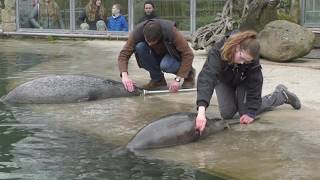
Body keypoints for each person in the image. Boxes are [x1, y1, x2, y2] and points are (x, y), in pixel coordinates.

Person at [195, 30, 301, 134]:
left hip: (243, 81)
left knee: (246, 113)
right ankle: (241, 103)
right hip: (224, 80)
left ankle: (281, 95)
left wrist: (251, 111)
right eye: (241, 58)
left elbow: (255, 83)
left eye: (246, 61)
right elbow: (207, 77)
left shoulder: (251, 57)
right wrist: (201, 110)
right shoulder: (218, 50)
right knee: (227, 114)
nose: (242, 63)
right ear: (237, 47)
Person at [118, 19, 195, 92]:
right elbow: (124, 54)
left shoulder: (171, 31)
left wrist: (177, 79)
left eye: (153, 42)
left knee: (166, 65)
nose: (149, 44)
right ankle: (158, 80)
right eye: (148, 41)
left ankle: (189, 75)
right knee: (140, 47)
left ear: (160, 36)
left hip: (170, 55)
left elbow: (188, 54)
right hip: (155, 54)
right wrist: (124, 76)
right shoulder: (137, 32)